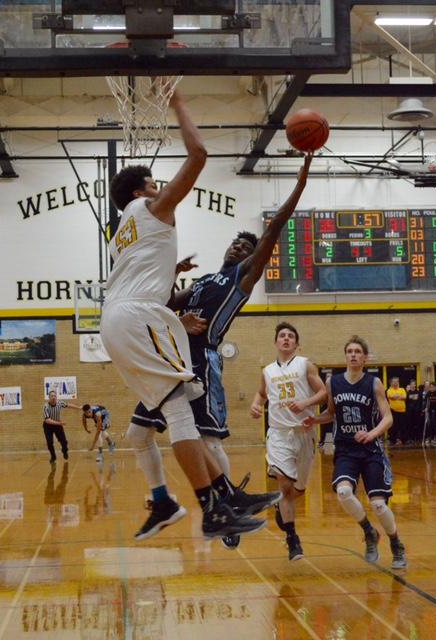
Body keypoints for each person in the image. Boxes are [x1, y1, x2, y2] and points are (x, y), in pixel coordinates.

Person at [100, 89, 268, 542]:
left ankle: (196, 500)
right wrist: (177, 103)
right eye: (154, 183)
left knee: (173, 410)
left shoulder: (122, 232)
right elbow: (199, 154)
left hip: (118, 320)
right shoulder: (152, 208)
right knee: (180, 413)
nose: (160, 188)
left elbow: (136, 277)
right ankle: (211, 508)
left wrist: (169, 272)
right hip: (138, 318)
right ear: (141, 191)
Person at [126, 153, 313, 546]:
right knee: (137, 434)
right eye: (235, 243)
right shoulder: (206, 278)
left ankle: (229, 507)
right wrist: (173, 278)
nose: (238, 248)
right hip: (170, 355)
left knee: (208, 439)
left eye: (246, 246)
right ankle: (179, 499)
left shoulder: (241, 280)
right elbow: (165, 305)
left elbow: (275, 228)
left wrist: (299, 185)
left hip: (201, 359)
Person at [303, 335, 407, 569]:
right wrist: (315, 420)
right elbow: (331, 413)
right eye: (349, 351)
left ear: (365, 357)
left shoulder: (374, 383)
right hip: (346, 449)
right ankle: (369, 532)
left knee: (379, 505)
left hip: (371, 449)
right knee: (343, 492)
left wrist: (371, 434)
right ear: (345, 356)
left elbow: (388, 417)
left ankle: (396, 543)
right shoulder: (333, 383)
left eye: (357, 351)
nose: (353, 355)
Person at [250, 322, 326, 561]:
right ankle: (293, 539)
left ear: (296, 343)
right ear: (275, 342)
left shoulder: (306, 365)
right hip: (279, 433)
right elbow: (262, 394)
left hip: (303, 433)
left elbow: (323, 392)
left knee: (297, 490)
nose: (285, 339)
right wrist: (255, 404)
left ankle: (280, 507)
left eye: (290, 336)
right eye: (282, 336)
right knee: (284, 487)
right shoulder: (268, 371)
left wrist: (306, 404)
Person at [43, 390, 78, 463]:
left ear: (56, 397)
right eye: (52, 396)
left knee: (64, 441)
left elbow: (68, 405)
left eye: (54, 396)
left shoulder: (60, 403)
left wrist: (79, 408)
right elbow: (47, 420)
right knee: (49, 442)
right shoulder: (46, 406)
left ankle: (64, 451)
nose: (53, 397)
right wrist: (59, 423)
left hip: (58, 425)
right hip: (48, 426)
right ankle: (53, 456)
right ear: (49, 398)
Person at [386, 378, 406, 446]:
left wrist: (396, 396)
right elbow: (391, 396)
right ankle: (392, 440)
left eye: (396, 381)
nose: (395, 383)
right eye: (394, 382)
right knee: (393, 427)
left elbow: (404, 397)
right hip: (393, 411)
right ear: (391, 383)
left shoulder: (402, 389)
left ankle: (402, 440)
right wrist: (399, 396)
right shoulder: (389, 390)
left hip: (402, 411)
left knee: (402, 426)